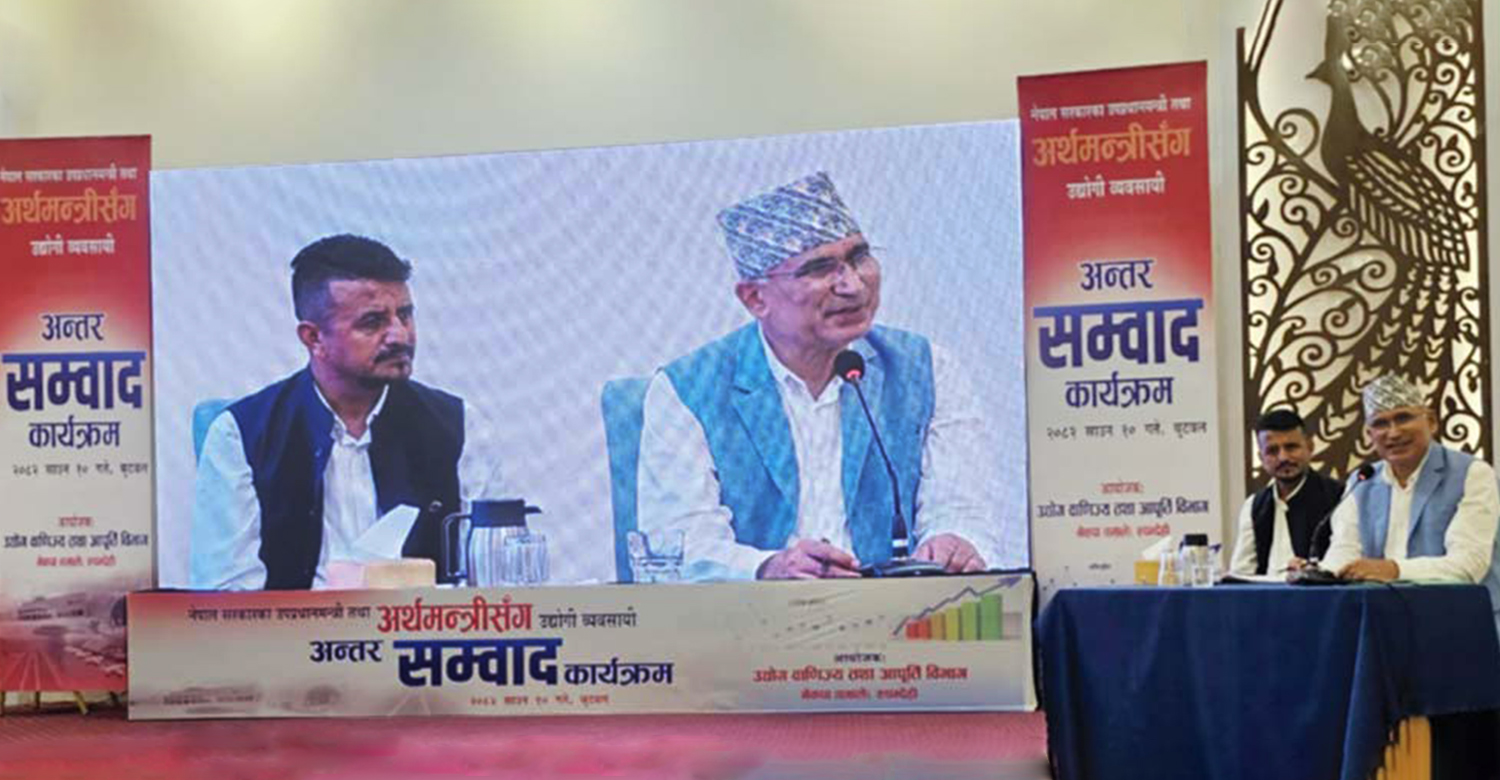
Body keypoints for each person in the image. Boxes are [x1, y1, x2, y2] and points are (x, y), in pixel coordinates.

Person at [636, 172, 1000, 580]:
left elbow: (962, 508)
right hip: (756, 615)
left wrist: (954, 540)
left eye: (859, 257)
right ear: (755, 298)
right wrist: (767, 568)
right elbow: (680, 546)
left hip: (897, 612)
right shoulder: (688, 389)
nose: (853, 285)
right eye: (821, 269)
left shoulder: (926, 368)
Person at [189, 234, 502, 590]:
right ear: (314, 338)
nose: (400, 335)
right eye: (372, 322)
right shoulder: (239, 434)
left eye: (405, 315)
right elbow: (225, 598)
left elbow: (492, 581)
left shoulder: (457, 425)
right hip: (294, 626)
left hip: (420, 624)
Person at [1320, 375, 1500, 629]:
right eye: (1380, 423)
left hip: (1461, 624)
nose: (1393, 432)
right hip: (1384, 624)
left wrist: (1393, 570)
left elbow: (1469, 565)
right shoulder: (1362, 481)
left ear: (1431, 422)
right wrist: (1319, 574)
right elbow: (1344, 550)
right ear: (1370, 434)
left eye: (1403, 418)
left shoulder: (1472, 473)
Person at [1228, 410, 1343, 576]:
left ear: (1310, 447)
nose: (1283, 457)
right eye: (1272, 451)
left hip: (1317, 591)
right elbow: (1241, 571)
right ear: (1261, 458)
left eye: (1291, 447)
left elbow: (1345, 561)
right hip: (1264, 591)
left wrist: (1313, 571)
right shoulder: (1254, 505)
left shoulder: (1339, 497)